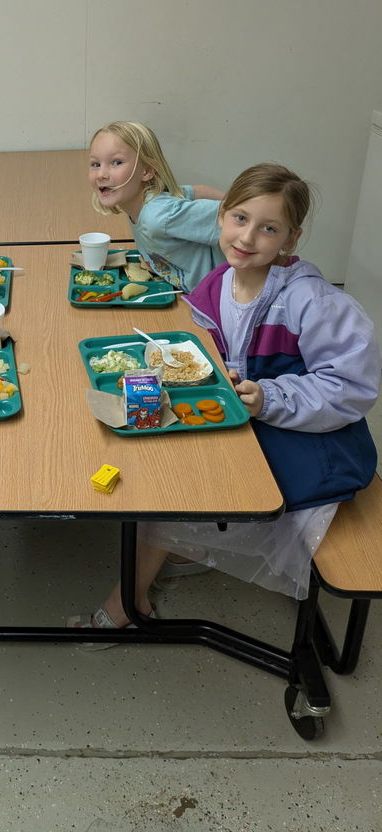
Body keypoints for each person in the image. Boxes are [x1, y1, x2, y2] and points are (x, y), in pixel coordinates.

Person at [70, 163, 380, 632]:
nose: (247, 237)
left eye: (268, 228)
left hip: (312, 443)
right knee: (163, 462)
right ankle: (177, 550)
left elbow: (351, 387)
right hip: (245, 421)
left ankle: (128, 607)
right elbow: (209, 351)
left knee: (177, 489)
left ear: (290, 239)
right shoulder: (219, 283)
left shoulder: (312, 302)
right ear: (220, 217)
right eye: (239, 218)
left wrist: (270, 396)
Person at [89, 121, 225, 291]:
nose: (101, 174)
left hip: (217, 294)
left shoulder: (159, 216)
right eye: (95, 164)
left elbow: (241, 217)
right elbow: (199, 190)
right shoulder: (137, 204)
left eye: (116, 162)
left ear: (146, 171)